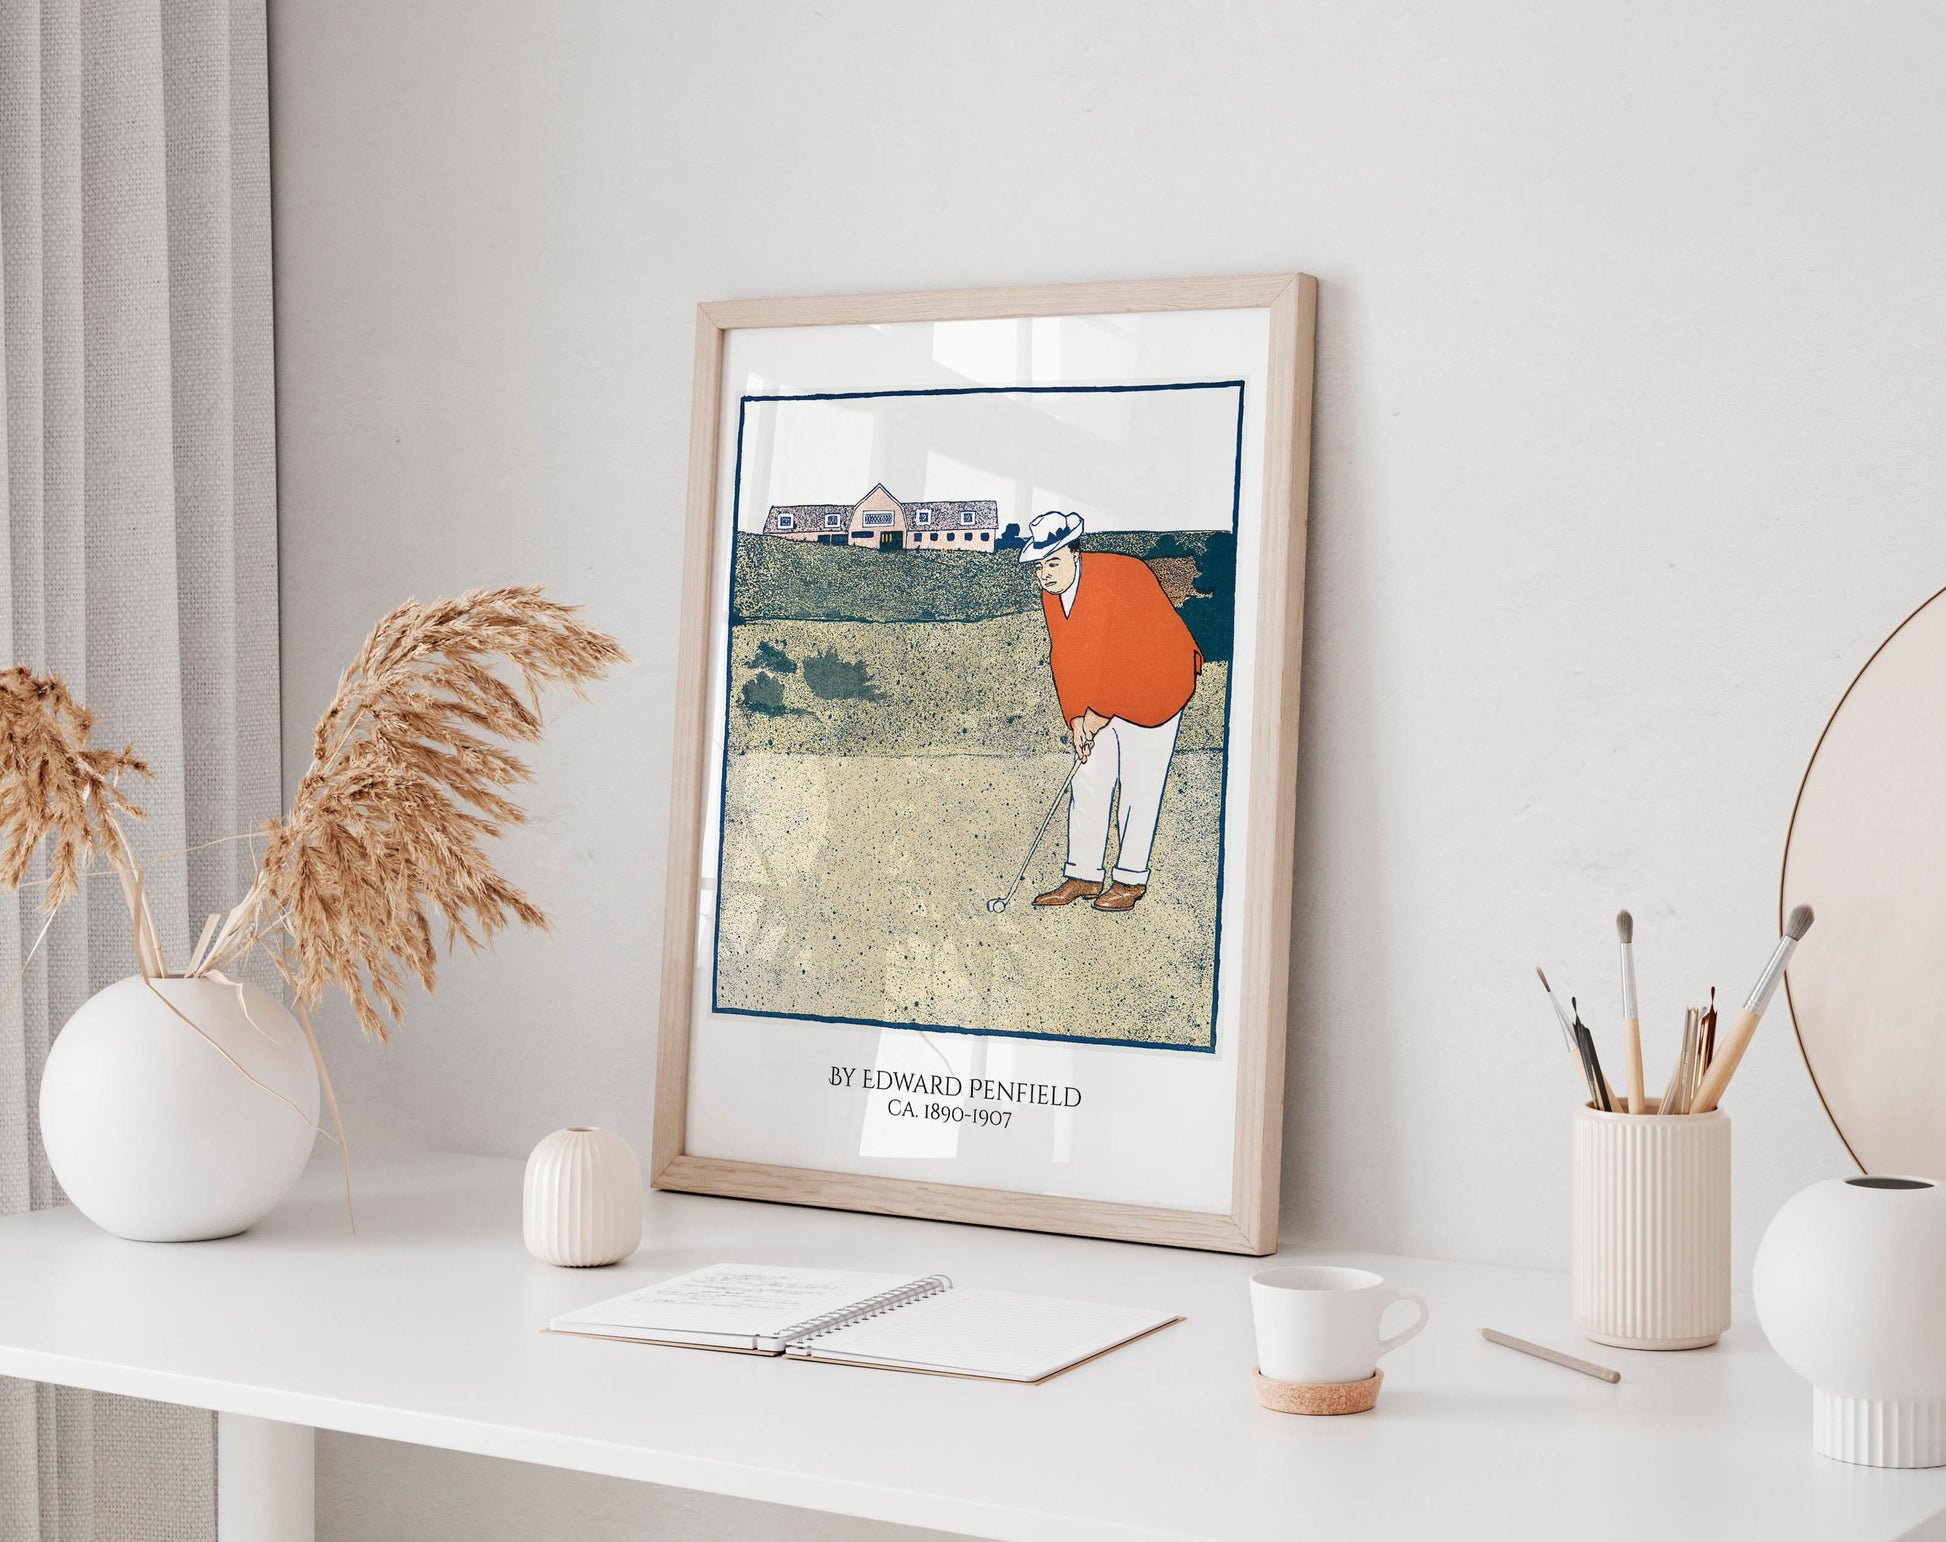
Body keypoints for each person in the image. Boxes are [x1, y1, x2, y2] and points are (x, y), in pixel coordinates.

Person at [1019, 510, 1203, 913]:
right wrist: (1075, 720)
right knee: (1089, 777)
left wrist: (1097, 714)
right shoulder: (1054, 594)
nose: (1046, 574)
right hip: (1104, 698)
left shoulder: (1123, 576)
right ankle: (1083, 874)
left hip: (1156, 688)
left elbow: (1132, 653)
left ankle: (1130, 880)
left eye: (1053, 562)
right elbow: (1065, 657)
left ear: (1075, 554)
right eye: (1039, 566)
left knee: (1140, 785)